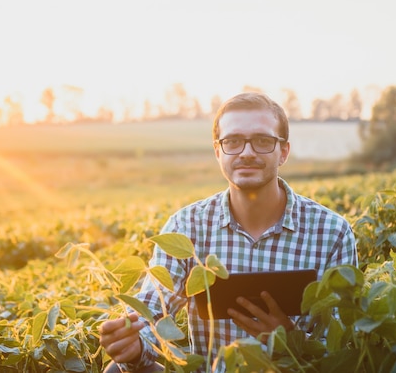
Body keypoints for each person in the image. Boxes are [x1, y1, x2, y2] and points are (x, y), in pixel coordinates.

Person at [99, 92, 358, 373]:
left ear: (283, 151)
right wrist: (133, 345)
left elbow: (342, 346)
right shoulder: (187, 226)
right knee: (117, 370)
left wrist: (290, 339)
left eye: (262, 141)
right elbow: (152, 312)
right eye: (233, 141)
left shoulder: (331, 232)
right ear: (218, 151)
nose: (247, 152)